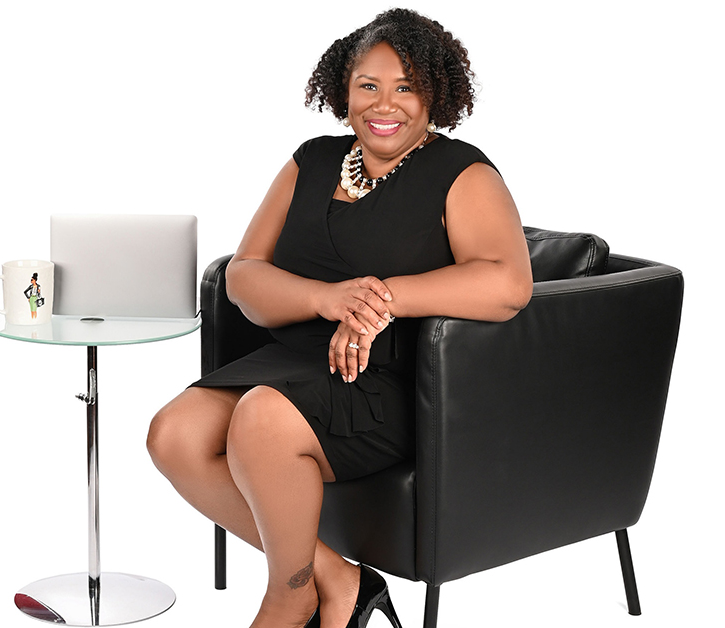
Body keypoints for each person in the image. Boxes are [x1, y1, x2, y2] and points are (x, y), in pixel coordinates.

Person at [146, 9, 533, 628]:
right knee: (174, 435)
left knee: (263, 418)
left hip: (391, 382)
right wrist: (326, 300)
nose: (386, 104)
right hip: (293, 361)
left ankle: (288, 597)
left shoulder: (463, 172)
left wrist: (379, 301)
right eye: (368, 86)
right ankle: (335, 579)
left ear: (436, 93)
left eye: (407, 87)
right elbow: (244, 274)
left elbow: (509, 283)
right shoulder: (312, 161)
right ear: (342, 90)